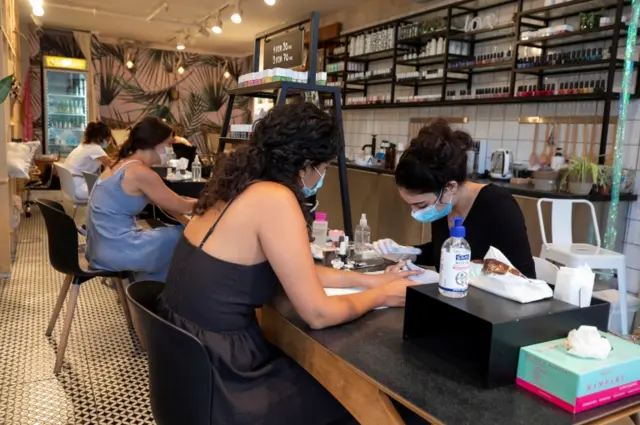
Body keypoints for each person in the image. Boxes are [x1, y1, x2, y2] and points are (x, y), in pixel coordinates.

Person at [157, 103, 420, 425]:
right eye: (323, 166)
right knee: (359, 400)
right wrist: (383, 297)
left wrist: (372, 281)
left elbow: (294, 270)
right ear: (306, 164)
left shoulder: (237, 187)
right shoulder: (274, 199)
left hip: (188, 373)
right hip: (227, 380)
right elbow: (319, 314)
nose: (323, 175)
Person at [374, 118, 536, 279]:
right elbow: (444, 251)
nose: (414, 212)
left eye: (421, 205)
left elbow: (524, 277)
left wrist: (461, 276)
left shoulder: (499, 206)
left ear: (450, 187)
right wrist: (407, 252)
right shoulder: (444, 205)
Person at [85, 116, 197, 281]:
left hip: (99, 248)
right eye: (169, 144)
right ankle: (159, 293)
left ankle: (154, 288)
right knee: (185, 235)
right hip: (116, 250)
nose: (171, 150)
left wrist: (179, 200)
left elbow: (166, 201)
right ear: (155, 144)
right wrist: (211, 203)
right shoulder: (140, 172)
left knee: (168, 235)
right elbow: (184, 208)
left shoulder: (120, 164)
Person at [63, 121, 113, 200]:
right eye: (108, 138)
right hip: (79, 188)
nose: (109, 140)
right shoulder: (95, 148)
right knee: (113, 191)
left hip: (70, 187)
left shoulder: (83, 146)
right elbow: (112, 166)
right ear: (101, 137)